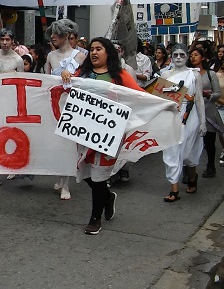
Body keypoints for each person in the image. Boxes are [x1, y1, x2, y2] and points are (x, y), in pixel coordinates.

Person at [60, 37, 142, 234]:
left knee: (98, 177)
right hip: (83, 132)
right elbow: (68, 86)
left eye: (99, 48)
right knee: (84, 172)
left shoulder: (120, 75)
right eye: (92, 49)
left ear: (109, 53)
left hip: (108, 135)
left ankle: (95, 219)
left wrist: (166, 103)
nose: (94, 52)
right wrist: (65, 75)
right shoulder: (83, 73)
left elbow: (140, 95)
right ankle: (107, 197)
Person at [45, 19, 87, 200]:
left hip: (72, 103)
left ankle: (67, 182)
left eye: (58, 34)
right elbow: (45, 80)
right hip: (54, 103)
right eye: (52, 34)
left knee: (70, 144)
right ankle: (60, 175)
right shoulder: (50, 56)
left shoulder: (80, 56)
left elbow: (85, 82)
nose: (54, 37)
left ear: (67, 36)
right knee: (56, 143)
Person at [160, 44, 206, 202]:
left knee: (189, 152)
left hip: (191, 116)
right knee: (171, 151)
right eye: (175, 55)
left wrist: (203, 123)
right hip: (171, 117)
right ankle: (174, 189)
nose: (178, 58)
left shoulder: (194, 75)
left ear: (187, 57)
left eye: (182, 55)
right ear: (171, 56)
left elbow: (199, 99)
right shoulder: (165, 75)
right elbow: (160, 99)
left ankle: (192, 177)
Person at [0, 29, 26, 189]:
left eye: (8, 39)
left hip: (11, 102)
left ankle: (13, 166)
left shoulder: (18, 60)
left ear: (13, 41)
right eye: (2, 39)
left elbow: (22, 85)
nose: (5, 42)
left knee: (12, 134)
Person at [189, 47, 223, 179]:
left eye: (196, 55)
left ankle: (211, 165)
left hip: (208, 111)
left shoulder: (210, 74)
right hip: (192, 111)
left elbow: (218, 93)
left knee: (209, 142)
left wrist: (207, 95)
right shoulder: (188, 74)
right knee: (190, 142)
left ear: (202, 57)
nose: (193, 57)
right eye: (191, 55)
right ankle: (189, 170)